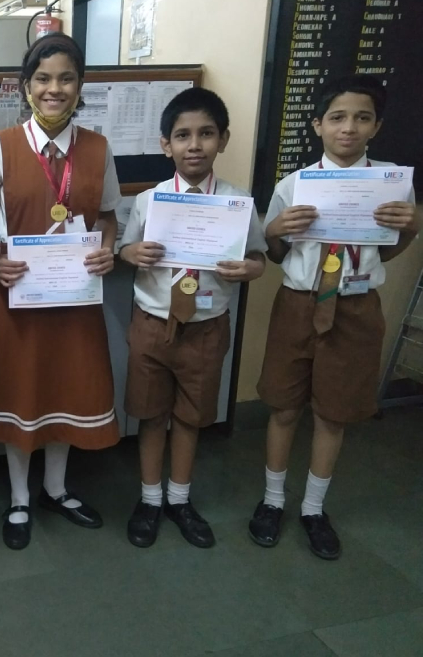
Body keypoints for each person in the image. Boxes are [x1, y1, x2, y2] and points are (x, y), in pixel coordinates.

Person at [249, 74, 419, 560]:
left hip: (356, 305)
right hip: (299, 304)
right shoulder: (293, 184)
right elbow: (277, 252)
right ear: (318, 124)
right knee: (283, 405)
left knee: (334, 411)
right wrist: (276, 227)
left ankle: (313, 509)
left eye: (362, 118)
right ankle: (273, 499)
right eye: (338, 118)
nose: (349, 128)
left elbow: (389, 250)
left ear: (376, 127)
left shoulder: (391, 184)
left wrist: (413, 226)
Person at [0, 33, 121, 550]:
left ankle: (56, 490)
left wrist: (107, 248)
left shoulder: (99, 149)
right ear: (26, 86)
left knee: (64, 391)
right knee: (24, 395)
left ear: (81, 85)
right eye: (43, 79)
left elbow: (107, 217)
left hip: (75, 300)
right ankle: (19, 497)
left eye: (65, 78)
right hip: (19, 299)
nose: (54, 89)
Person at [118, 87, 267, 549]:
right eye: (182, 135)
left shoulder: (237, 203)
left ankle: (179, 499)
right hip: (153, 324)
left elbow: (259, 258)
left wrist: (250, 269)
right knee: (150, 414)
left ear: (223, 139)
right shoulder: (150, 200)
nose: (194, 144)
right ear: (166, 145)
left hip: (206, 326)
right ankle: (148, 498)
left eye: (206, 133)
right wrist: (132, 252)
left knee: (190, 417)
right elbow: (125, 248)